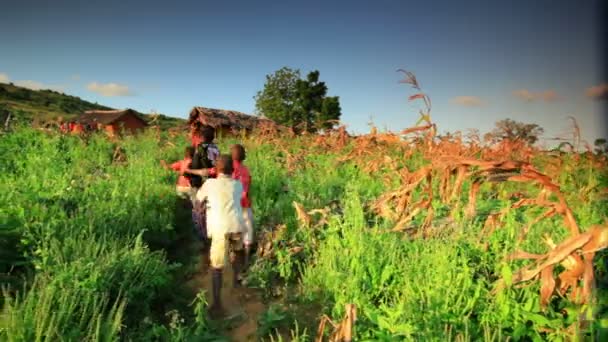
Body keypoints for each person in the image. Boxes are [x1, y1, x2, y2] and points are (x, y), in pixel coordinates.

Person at [194, 155, 246, 315]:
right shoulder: (237, 184)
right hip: (237, 224)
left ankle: (217, 304)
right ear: (233, 170)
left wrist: (202, 209)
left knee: (217, 267)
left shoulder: (210, 183)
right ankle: (237, 279)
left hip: (219, 227)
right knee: (237, 251)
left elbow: (198, 201)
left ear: (215, 170)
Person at [187, 124, 220, 243]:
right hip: (215, 181)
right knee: (210, 208)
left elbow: (196, 166)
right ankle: (211, 231)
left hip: (202, 183)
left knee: (198, 209)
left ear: (201, 136)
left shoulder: (200, 148)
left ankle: (201, 236)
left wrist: (189, 172)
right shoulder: (216, 148)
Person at [230, 144, 254, 269]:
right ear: (243, 156)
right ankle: (246, 261)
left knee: (232, 233)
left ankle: (232, 261)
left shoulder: (227, 169)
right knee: (248, 232)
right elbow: (248, 190)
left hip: (231, 207)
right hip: (244, 205)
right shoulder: (246, 170)